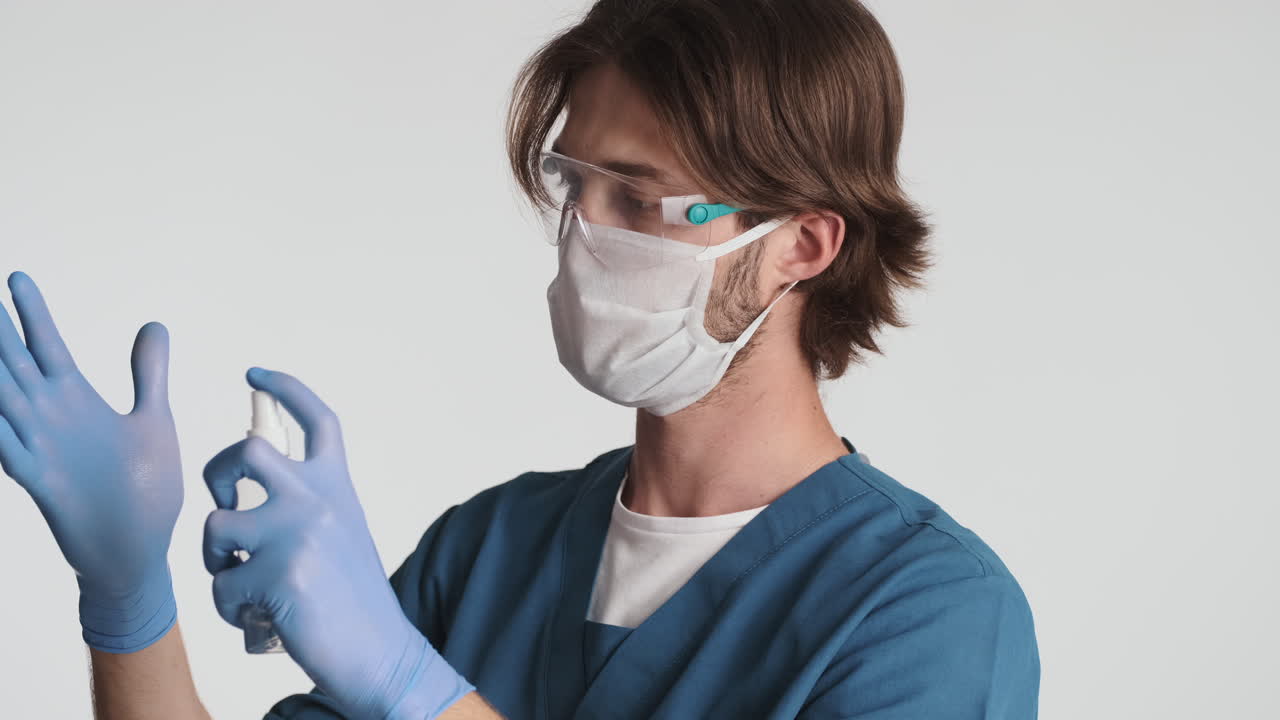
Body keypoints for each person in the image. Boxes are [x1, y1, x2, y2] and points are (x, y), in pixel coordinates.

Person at [0, 1, 1040, 718]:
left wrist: (413, 689)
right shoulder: (493, 549)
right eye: (573, 188)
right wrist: (127, 593)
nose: (585, 237)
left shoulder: (927, 614)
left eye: (638, 201)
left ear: (801, 246)